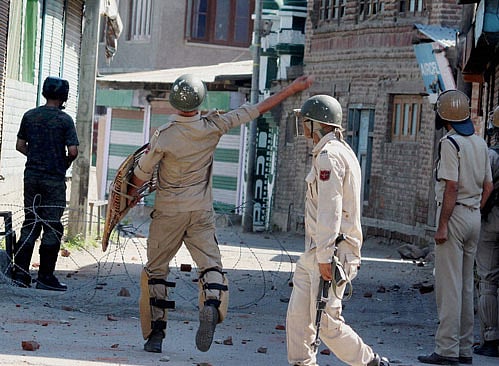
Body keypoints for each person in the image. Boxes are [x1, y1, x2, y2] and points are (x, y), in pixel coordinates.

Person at [127, 73, 314, 353]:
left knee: (156, 271)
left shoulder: (165, 136)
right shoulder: (213, 126)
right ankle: (211, 304)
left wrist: (129, 197)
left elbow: (141, 173)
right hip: (201, 211)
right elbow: (255, 110)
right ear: (202, 99)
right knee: (211, 266)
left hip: (168, 213)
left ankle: (156, 335)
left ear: (174, 102)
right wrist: (293, 88)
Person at [286, 95, 390, 366]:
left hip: (332, 251)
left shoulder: (329, 156)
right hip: (317, 250)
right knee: (299, 318)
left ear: (316, 123)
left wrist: (324, 257)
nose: (303, 127)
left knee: (328, 322)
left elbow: (330, 210)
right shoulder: (338, 150)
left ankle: (371, 363)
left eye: (305, 122)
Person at [418, 90, 493, 365]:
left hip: (455, 215)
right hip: (474, 215)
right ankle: (464, 349)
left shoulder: (450, 143)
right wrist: (475, 209)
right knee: (465, 286)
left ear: (443, 116)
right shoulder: (479, 143)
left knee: (449, 287)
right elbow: (488, 186)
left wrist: (443, 224)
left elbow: (451, 185)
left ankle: (446, 350)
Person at [13, 76, 79, 291]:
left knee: (30, 222)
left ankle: (20, 274)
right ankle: (45, 277)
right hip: (54, 178)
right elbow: (73, 151)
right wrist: (62, 163)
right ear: (64, 96)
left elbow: (20, 145)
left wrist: (35, 157)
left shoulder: (30, 116)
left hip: (32, 176)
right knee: (51, 225)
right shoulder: (64, 120)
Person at [473, 105, 499, 358]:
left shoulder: (491, 156)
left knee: (488, 280)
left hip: (491, 221)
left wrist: (477, 211)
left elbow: (483, 188)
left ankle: (491, 338)